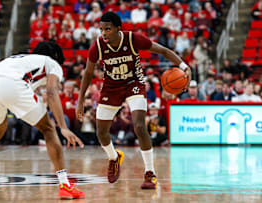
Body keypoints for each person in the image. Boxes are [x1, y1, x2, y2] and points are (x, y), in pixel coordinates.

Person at [0, 42, 85, 199]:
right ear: (55, 56)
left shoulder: (16, 60)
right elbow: (51, 91)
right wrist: (63, 126)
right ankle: (65, 185)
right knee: (49, 129)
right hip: (13, 86)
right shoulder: (52, 63)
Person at [76, 12, 191, 189]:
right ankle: (114, 157)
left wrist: (184, 66)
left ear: (117, 29)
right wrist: (80, 99)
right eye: (101, 29)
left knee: (139, 126)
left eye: (108, 29)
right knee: (101, 132)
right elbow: (88, 73)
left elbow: (163, 50)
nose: (104, 33)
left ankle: (150, 173)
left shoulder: (133, 39)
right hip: (111, 86)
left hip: (134, 83)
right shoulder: (97, 46)